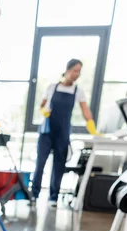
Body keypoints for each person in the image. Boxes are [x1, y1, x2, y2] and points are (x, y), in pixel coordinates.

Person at [31, 58, 100, 208]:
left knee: (59, 165)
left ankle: (53, 197)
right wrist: (43, 111)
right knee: (40, 163)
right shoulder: (51, 87)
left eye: (79, 72)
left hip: (62, 132)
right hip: (46, 131)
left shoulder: (78, 91)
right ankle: (34, 195)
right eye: (75, 70)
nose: (77, 74)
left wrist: (93, 129)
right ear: (67, 70)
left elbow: (85, 111)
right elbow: (41, 105)